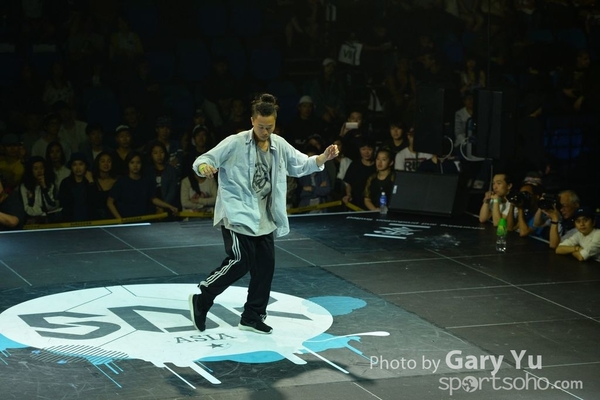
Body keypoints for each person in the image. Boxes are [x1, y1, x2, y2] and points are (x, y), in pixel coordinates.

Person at [189, 93, 339, 335]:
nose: (265, 131)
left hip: (265, 217)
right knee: (241, 261)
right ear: (252, 121)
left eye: (270, 127)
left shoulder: (279, 144)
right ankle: (203, 297)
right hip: (237, 214)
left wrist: (323, 157)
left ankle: (252, 316)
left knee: (265, 268)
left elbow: (300, 164)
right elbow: (204, 159)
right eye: (261, 126)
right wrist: (205, 166)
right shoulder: (235, 142)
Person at [107, 151, 178, 219]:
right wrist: (119, 219)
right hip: (126, 222)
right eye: (132, 162)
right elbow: (110, 202)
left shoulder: (146, 181)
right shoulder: (121, 182)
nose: (135, 165)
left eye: (138, 162)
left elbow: (153, 199)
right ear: (128, 164)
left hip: (145, 220)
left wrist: (170, 206)